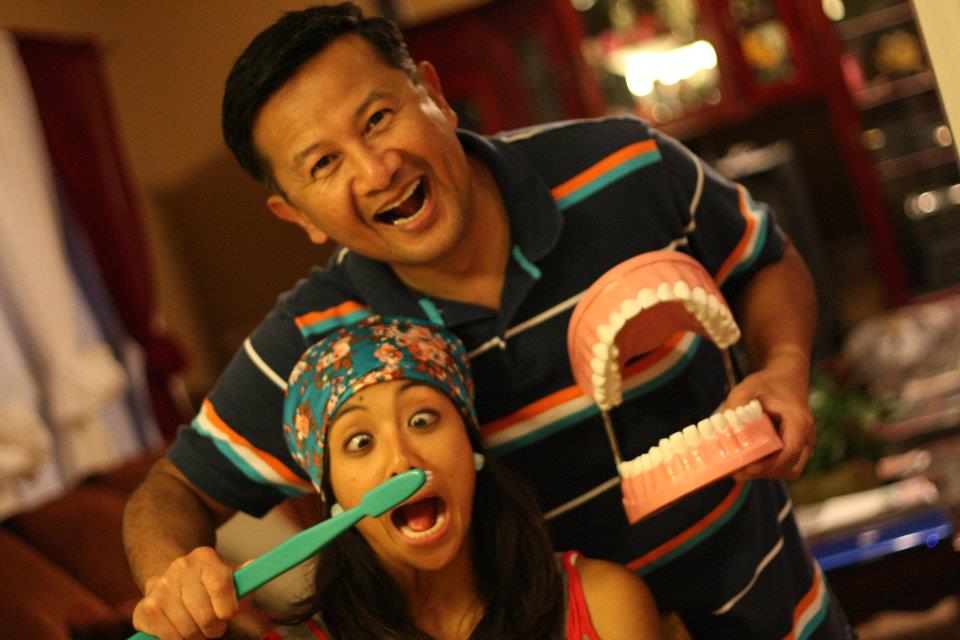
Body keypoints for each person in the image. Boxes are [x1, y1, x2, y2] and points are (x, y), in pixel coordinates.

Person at [123, 3, 854, 639]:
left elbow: (762, 259)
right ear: (296, 215)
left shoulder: (626, 166)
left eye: (378, 118)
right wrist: (172, 575)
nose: (376, 170)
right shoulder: (312, 346)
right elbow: (172, 491)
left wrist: (784, 365)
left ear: (434, 94)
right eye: (323, 165)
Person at [263, 315, 662, 639]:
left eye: (422, 420)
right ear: (332, 494)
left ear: (471, 448)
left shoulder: (604, 605)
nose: (403, 460)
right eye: (360, 442)